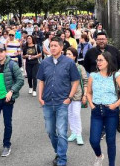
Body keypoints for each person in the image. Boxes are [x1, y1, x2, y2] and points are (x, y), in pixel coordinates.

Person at [36, 37, 80, 166]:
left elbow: (76, 80)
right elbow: (41, 80)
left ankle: (62, 160)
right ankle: (59, 152)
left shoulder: (69, 63)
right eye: (51, 45)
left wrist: (69, 98)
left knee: (61, 132)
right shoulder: (45, 62)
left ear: (61, 48)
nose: (53, 47)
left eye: (55, 45)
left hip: (62, 102)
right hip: (48, 102)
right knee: (50, 131)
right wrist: (40, 97)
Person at [86, 51, 120, 166]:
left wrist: (115, 105)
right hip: (96, 111)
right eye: (97, 60)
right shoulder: (93, 76)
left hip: (111, 112)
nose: (98, 62)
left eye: (101, 60)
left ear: (108, 61)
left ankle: (111, 164)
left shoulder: (116, 76)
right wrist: (91, 104)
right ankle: (99, 156)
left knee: (111, 141)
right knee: (94, 140)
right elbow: (89, 93)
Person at [65, 47, 88, 145]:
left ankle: (79, 134)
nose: (67, 55)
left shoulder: (80, 67)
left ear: (74, 56)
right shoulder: (63, 66)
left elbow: (85, 81)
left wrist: (85, 95)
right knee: (69, 114)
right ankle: (73, 132)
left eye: (69, 54)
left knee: (76, 114)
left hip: (78, 95)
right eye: (66, 54)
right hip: (66, 95)